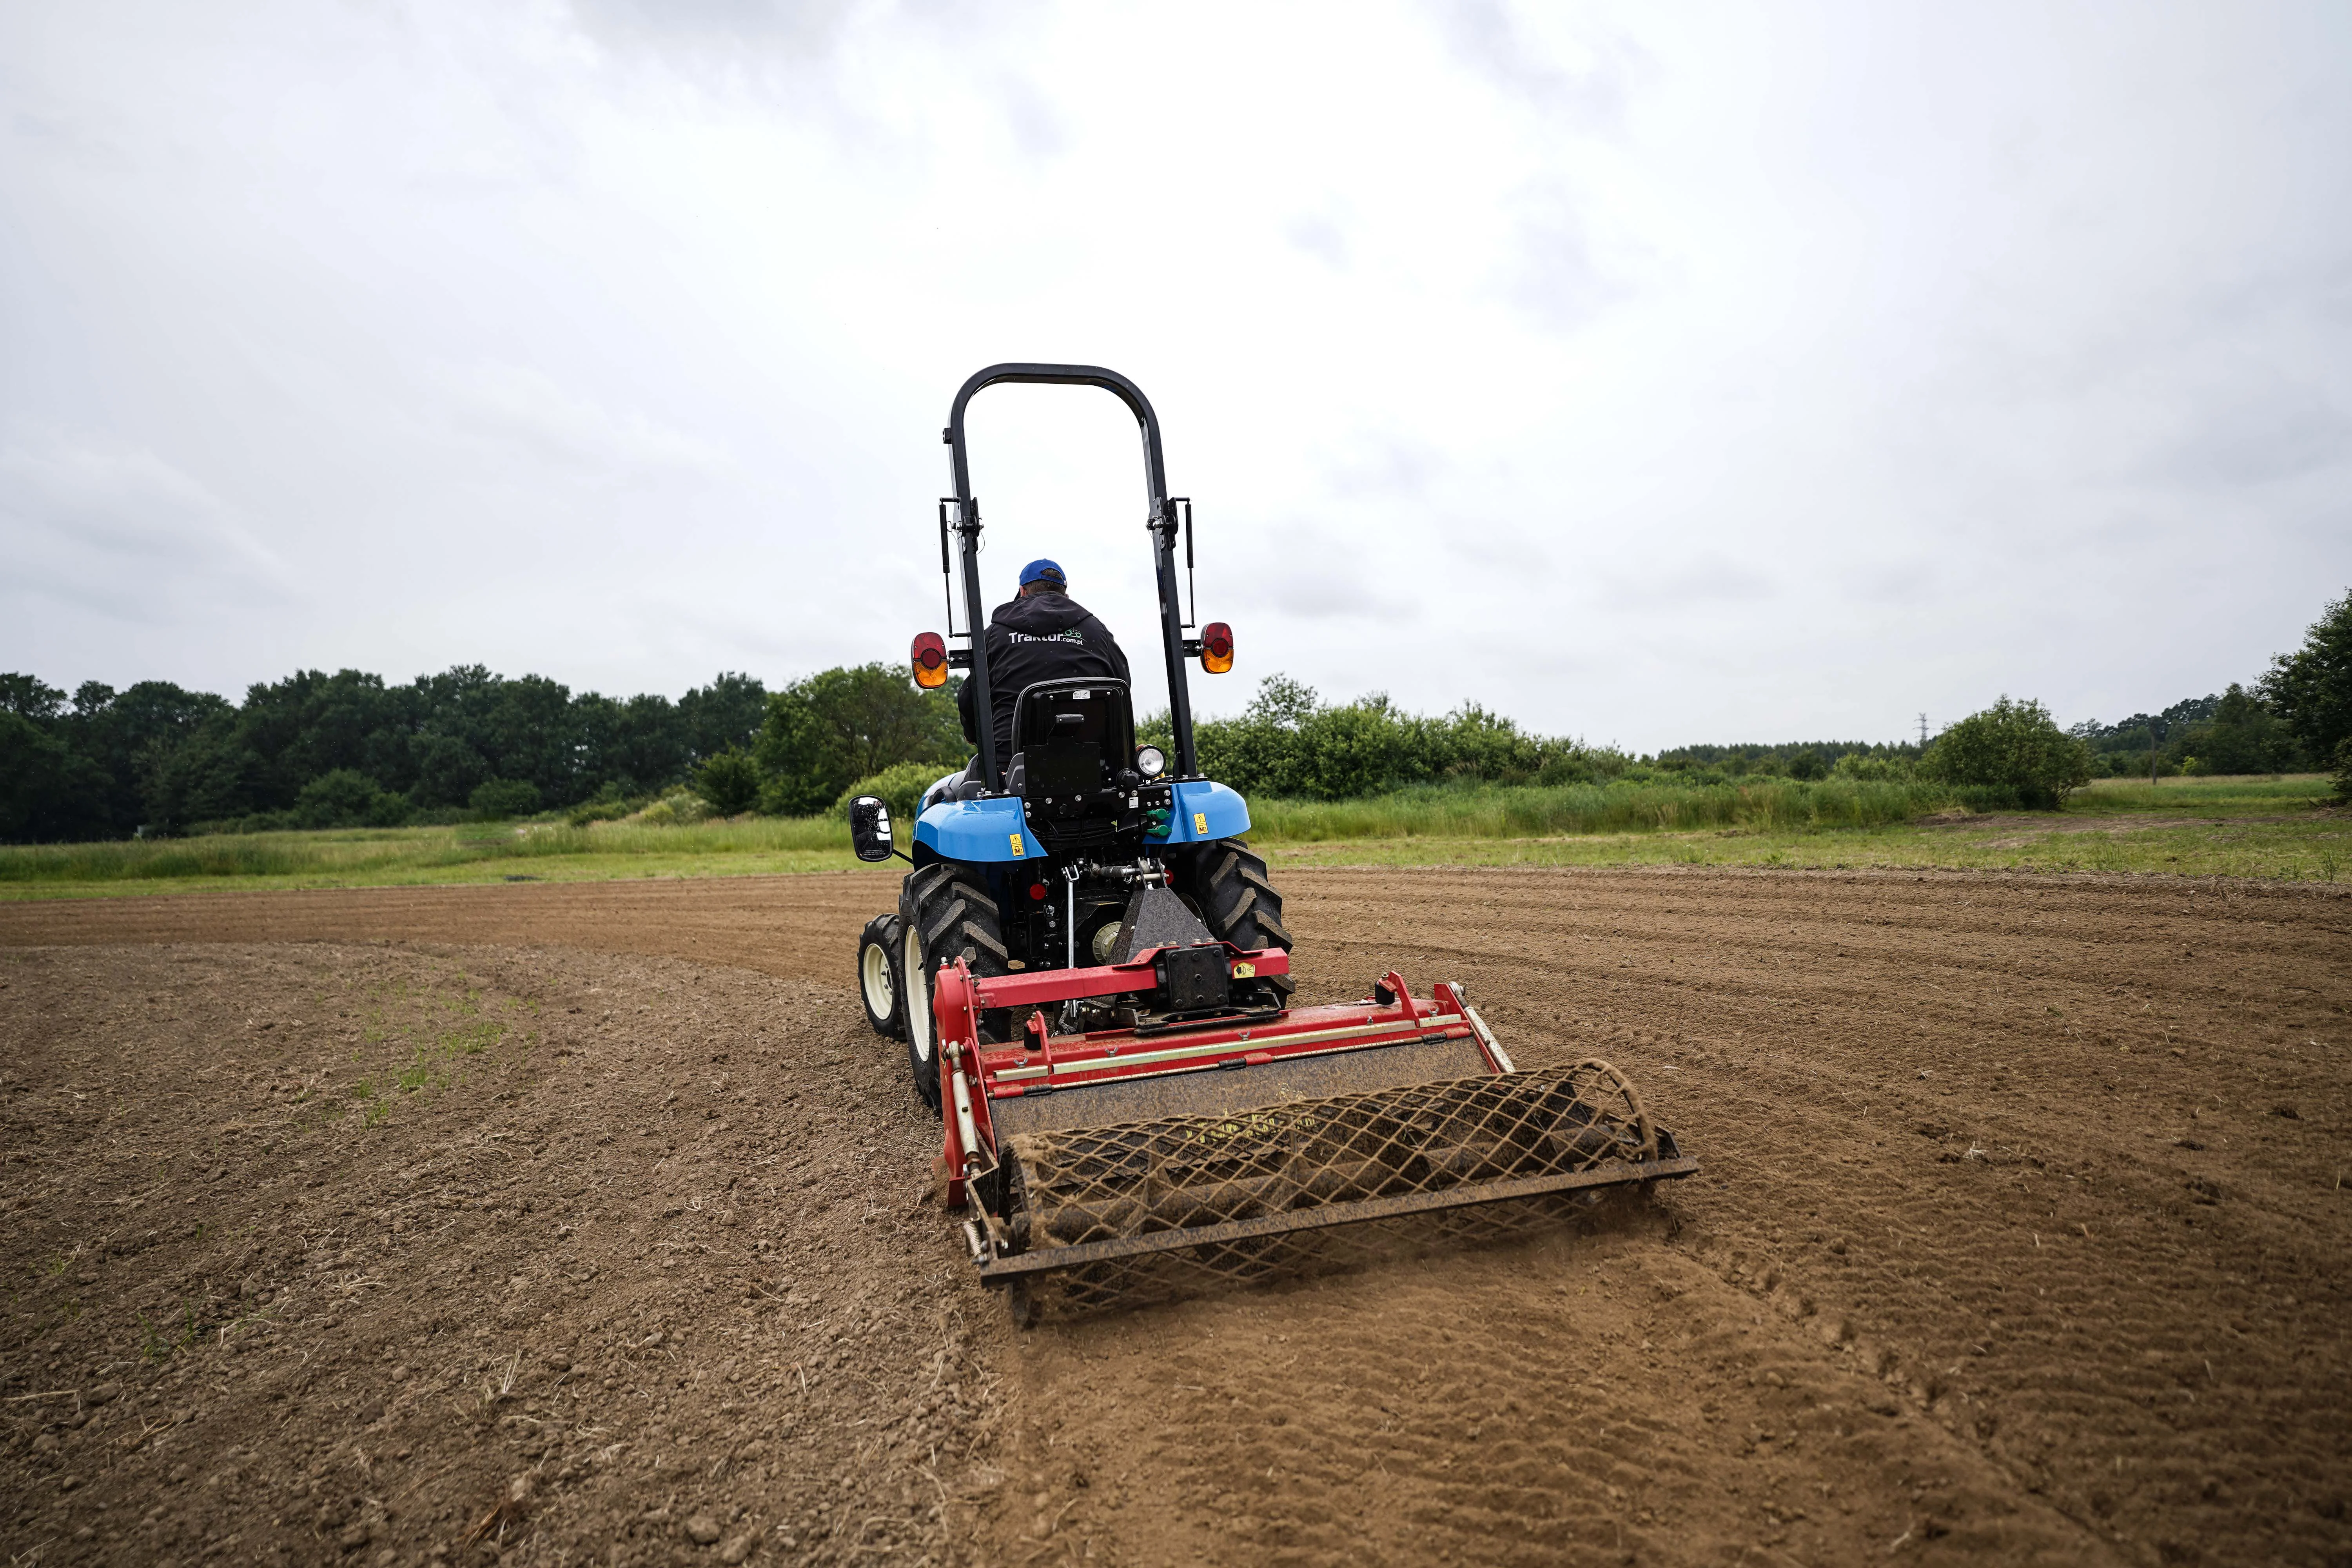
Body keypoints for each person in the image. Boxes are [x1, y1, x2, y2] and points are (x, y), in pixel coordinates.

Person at [957, 558, 1129, 779]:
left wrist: (972, 733)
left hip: (1007, 764)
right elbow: (1122, 686)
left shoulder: (993, 635)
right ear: (1066, 596)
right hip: (1092, 763)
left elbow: (969, 698)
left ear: (1022, 592)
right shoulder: (1098, 632)